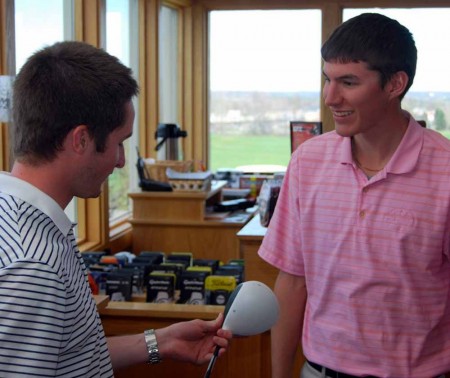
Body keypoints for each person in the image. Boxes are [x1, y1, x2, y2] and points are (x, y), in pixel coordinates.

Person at [0, 41, 231, 377]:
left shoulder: (20, 215)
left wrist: (161, 342)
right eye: (119, 142)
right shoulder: (34, 266)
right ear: (80, 140)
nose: (121, 161)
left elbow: (70, 353)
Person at [258, 12, 450, 378]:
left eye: (348, 81)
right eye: (327, 79)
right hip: (318, 371)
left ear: (395, 84)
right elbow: (293, 281)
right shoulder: (307, 162)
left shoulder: (445, 169)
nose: (331, 97)